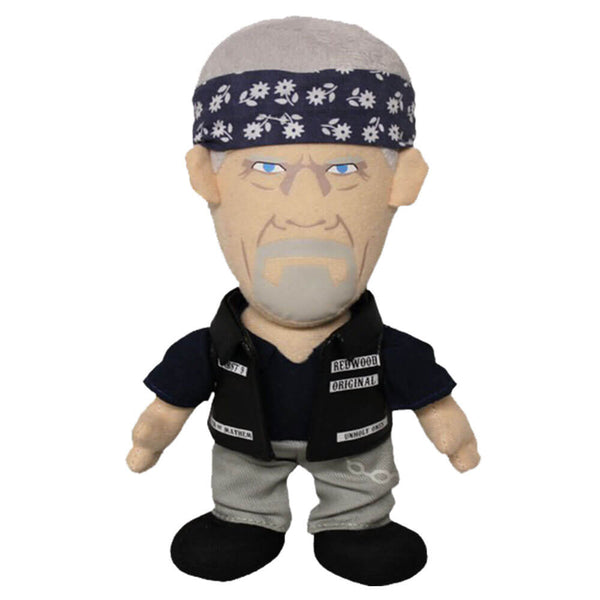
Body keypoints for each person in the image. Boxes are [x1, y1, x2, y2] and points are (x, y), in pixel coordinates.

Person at [127, 16, 480, 586]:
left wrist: (454, 438)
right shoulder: (215, 345)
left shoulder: (381, 347)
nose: (307, 212)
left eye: (345, 169)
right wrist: (150, 438)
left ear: (402, 182)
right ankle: (244, 517)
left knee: (361, 487)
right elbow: (169, 404)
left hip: (354, 446)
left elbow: (433, 402)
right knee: (240, 482)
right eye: (267, 169)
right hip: (246, 445)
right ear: (207, 179)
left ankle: (356, 523)